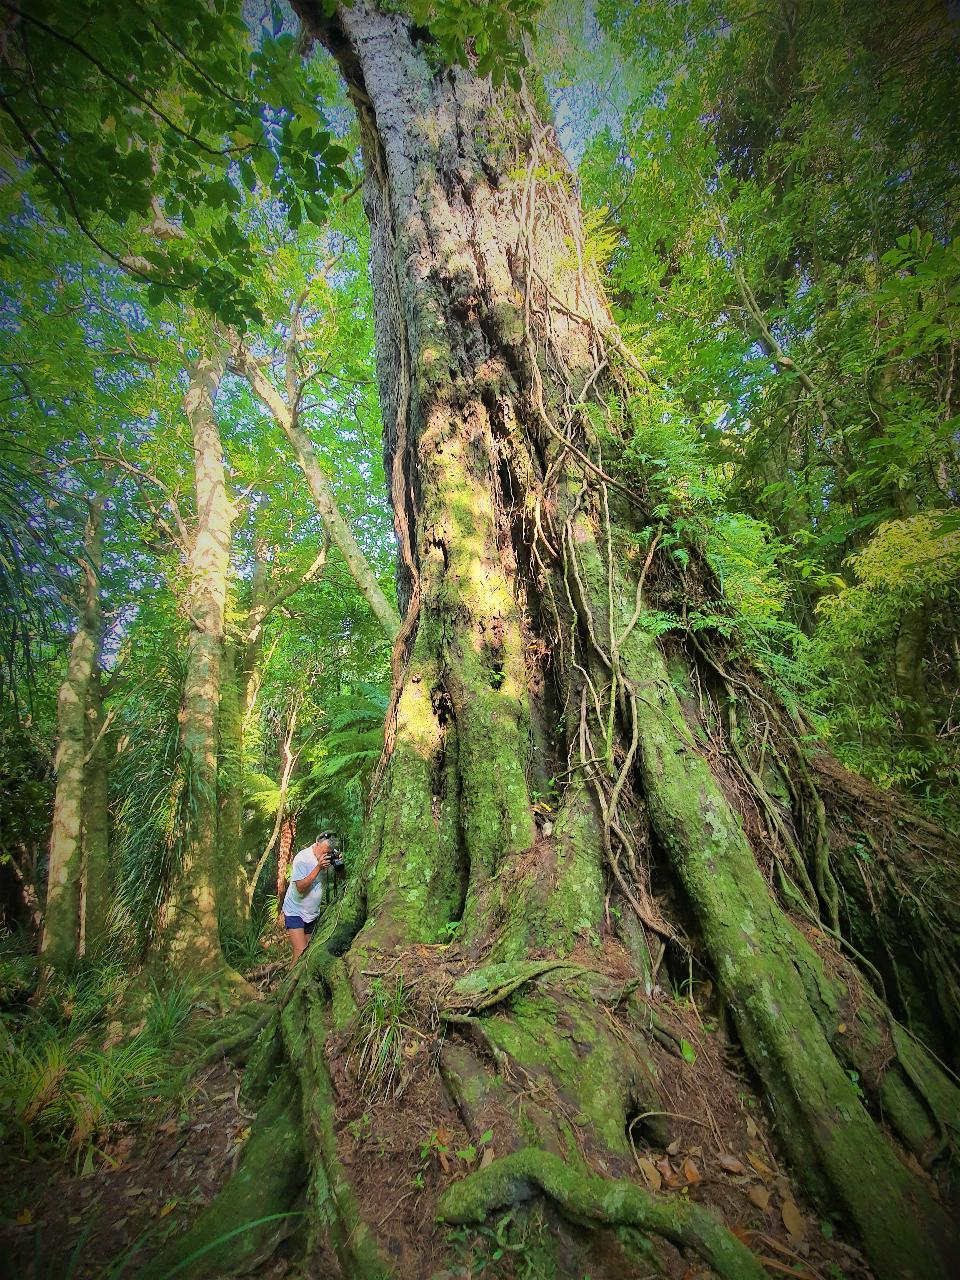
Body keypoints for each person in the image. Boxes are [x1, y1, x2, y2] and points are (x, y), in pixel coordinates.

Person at [281, 834, 333, 963]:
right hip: (295, 911)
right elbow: (300, 887)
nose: (326, 854)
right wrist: (318, 867)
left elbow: (341, 877)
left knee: (308, 953)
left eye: (329, 852)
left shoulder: (328, 859)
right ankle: (289, 983)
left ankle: (300, 982)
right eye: (324, 851)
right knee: (300, 953)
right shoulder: (302, 858)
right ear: (317, 843)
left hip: (312, 914)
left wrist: (338, 864)